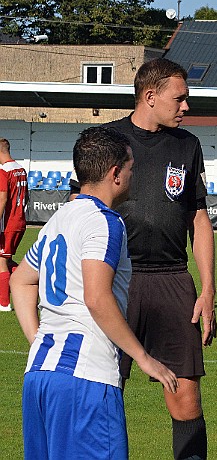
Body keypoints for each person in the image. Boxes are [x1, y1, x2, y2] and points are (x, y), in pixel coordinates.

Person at [70, 58, 216, 459]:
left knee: (185, 395)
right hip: (116, 280)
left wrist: (207, 290)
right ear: (150, 96)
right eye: (180, 98)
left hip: (172, 281)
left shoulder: (187, 145)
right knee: (103, 388)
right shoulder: (107, 140)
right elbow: (78, 206)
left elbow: (198, 218)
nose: (186, 107)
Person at [11, 126, 178, 459]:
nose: (133, 175)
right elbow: (97, 297)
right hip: (85, 380)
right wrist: (144, 359)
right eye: (131, 168)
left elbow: (21, 281)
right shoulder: (105, 221)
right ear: (115, 174)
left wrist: (40, 339)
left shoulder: (59, 218)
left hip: (40, 375)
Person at [0, 138, 27, 311]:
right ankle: (32, 285)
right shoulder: (21, 169)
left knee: (1, 262)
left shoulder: (4, 171)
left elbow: (2, 198)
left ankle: (4, 303)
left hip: (8, 223)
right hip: (20, 220)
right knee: (7, 261)